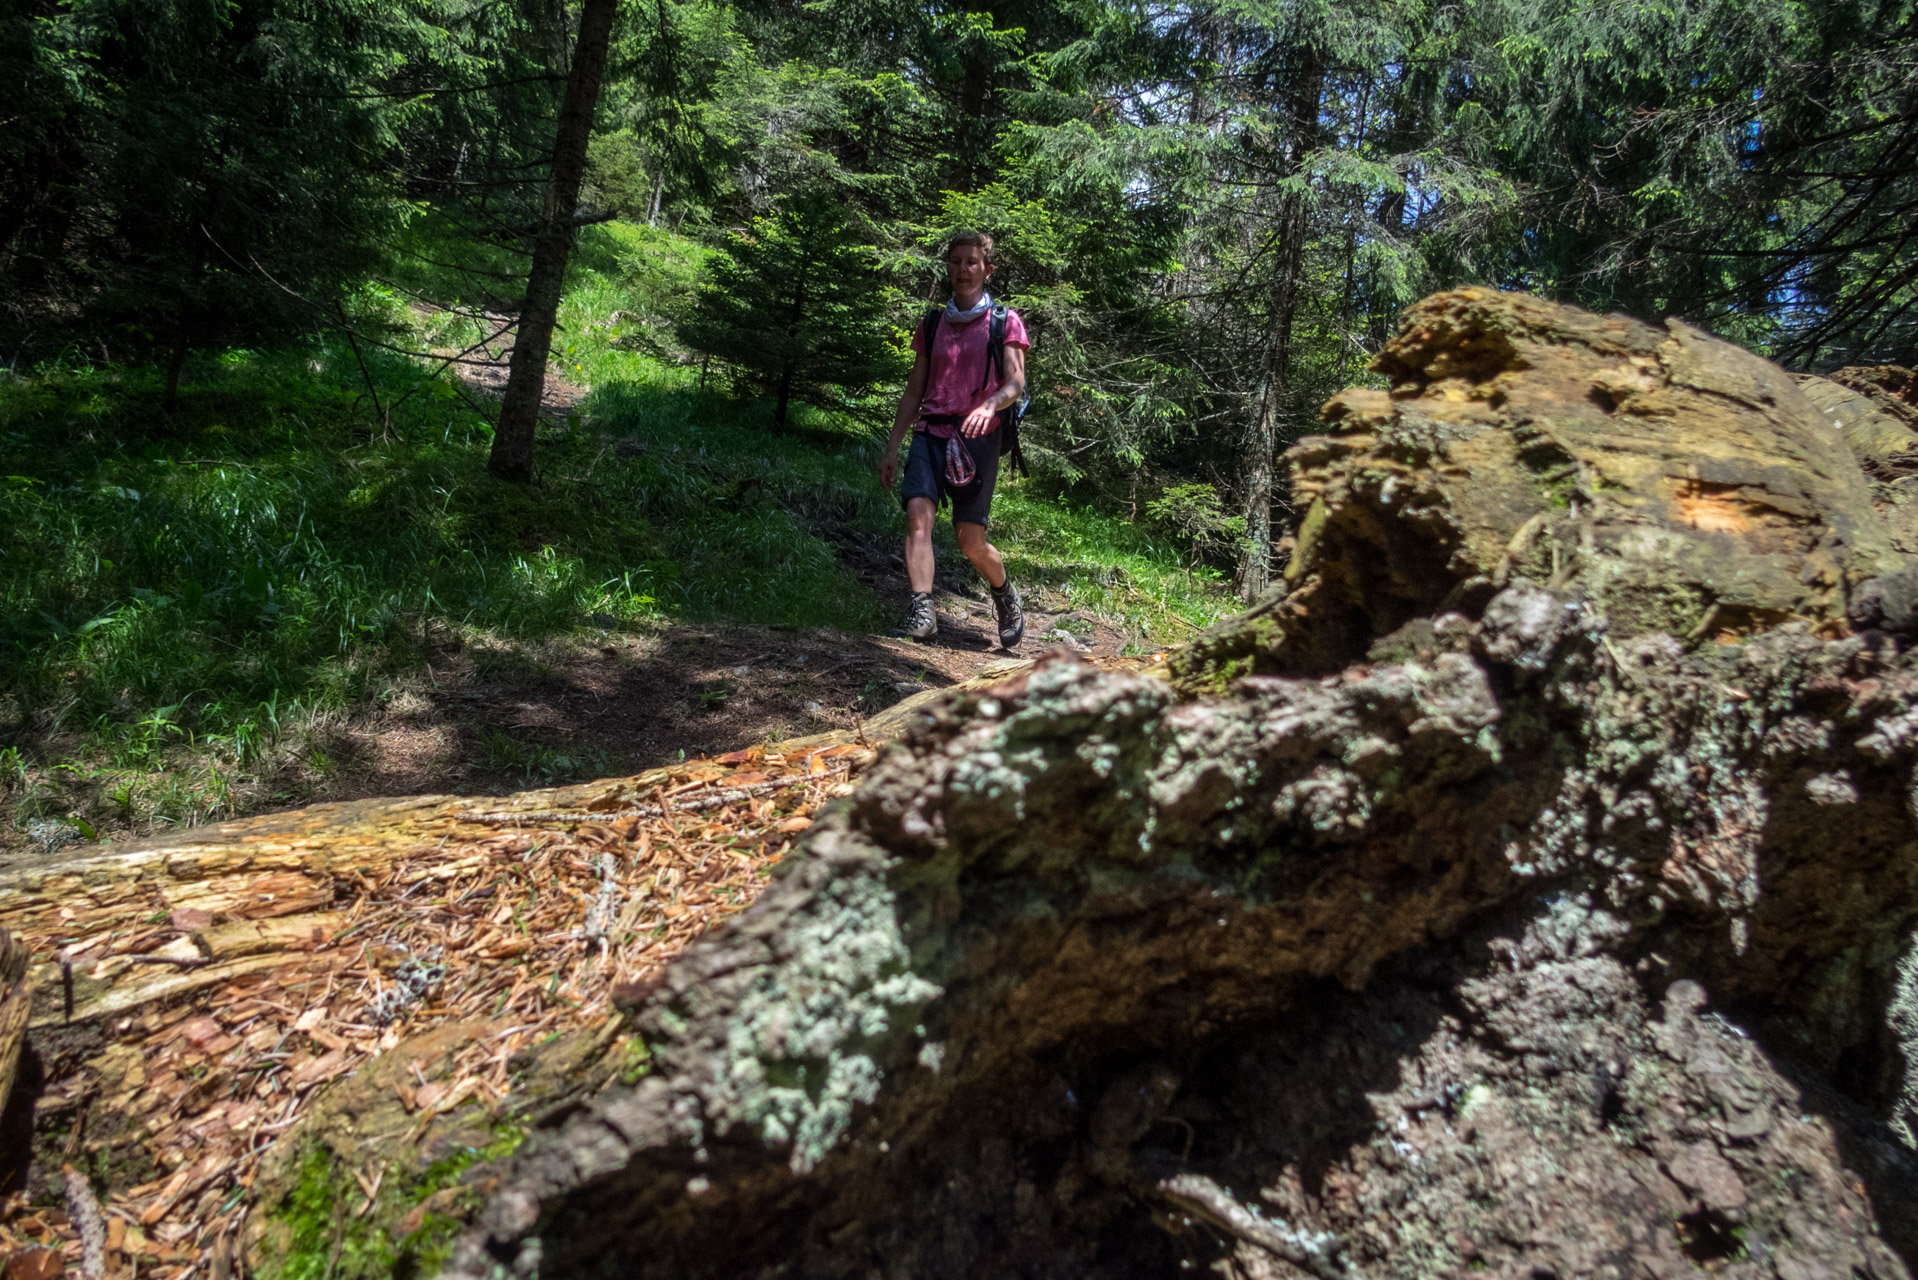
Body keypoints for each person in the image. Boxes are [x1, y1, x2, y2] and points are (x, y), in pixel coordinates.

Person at [879, 230, 1028, 646]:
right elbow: (913, 391)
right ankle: (922, 610)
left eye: (972, 262)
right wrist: (892, 447)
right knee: (917, 516)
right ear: (949, 267)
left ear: (987, 269)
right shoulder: (932, 322)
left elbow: (1016, 382)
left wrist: (989, 404)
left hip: (978, 438)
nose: (963, 270)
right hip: (931, 431)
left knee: (970, 540)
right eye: (956, 261)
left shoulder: (1005, 321)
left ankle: (1004, 593)